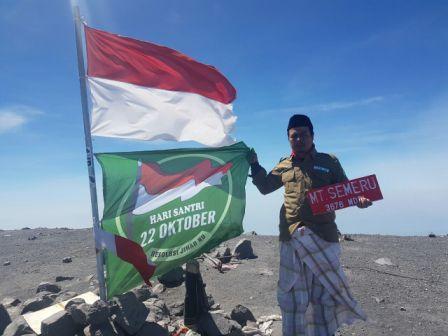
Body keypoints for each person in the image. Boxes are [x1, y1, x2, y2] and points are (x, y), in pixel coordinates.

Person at [250, 114, 370, 336]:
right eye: (294, 136)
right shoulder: (284, 165)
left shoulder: (329, 162)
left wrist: (360, 201)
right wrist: (255, 165)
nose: (299, 139)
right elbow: (265, 187)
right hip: (291, 237)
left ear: (313, 136)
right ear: (288, 139)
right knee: (292, 293)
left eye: (303, 134)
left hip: (323, 236)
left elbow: (347, 191)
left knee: (323, 295)